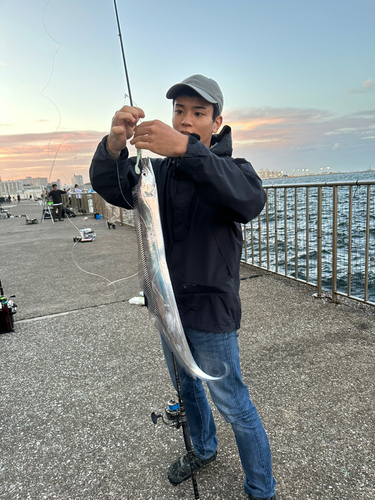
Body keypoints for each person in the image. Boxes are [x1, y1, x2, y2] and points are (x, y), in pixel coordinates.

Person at [89, 74, 276, 500]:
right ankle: (204, 449)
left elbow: (248, 201)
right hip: (166, 305)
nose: (186, 120)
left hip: (211, 313)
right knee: (187, 388)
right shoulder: (156, 174)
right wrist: (114, 146)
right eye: (179, 111)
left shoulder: (234, 171)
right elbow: (115, 187)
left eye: (198, 113)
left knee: (232, 402)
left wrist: (187, 151)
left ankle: (261, 489)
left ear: (217, 121)